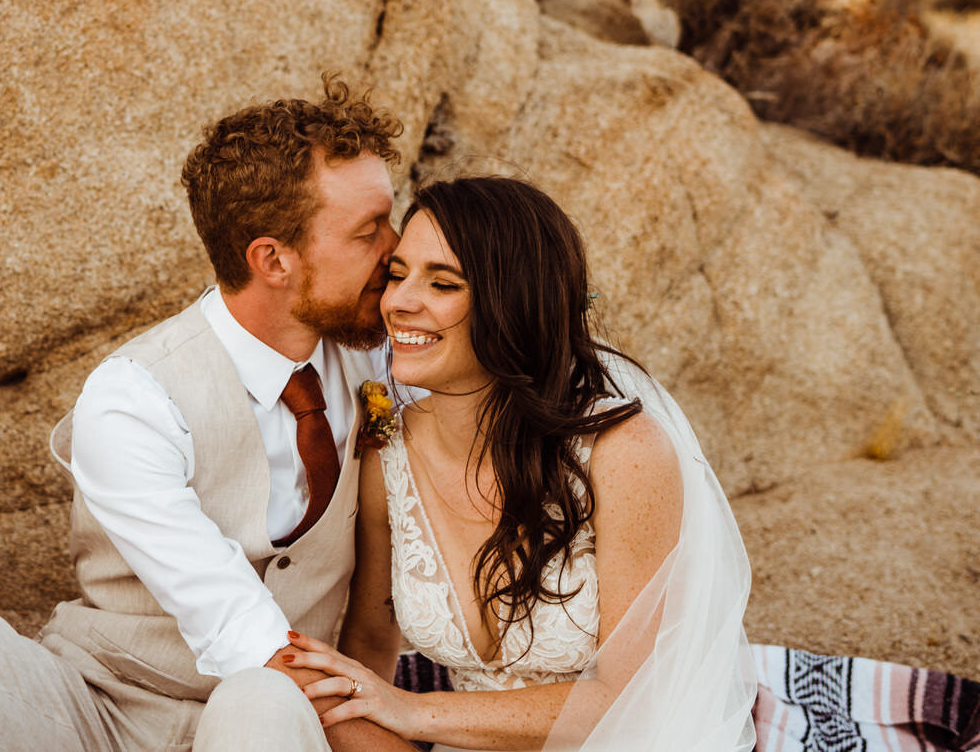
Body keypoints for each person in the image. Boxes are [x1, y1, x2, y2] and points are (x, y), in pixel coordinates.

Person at [0, 76, 412, 751]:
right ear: (272, 258)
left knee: (260, 698)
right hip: (97, 716)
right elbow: (235, 622)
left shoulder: (381, 361)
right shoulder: (134, 398)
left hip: (273, 726)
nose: (398, 251)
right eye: (369, 231)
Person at [281, 177, 757, 751]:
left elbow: (636, 698)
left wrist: (416, 713)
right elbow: (370, 647)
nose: (400, 302)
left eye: (443, 283)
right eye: (398, 274)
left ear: (513, 300)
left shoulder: (623, 452)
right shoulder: (389, 456)